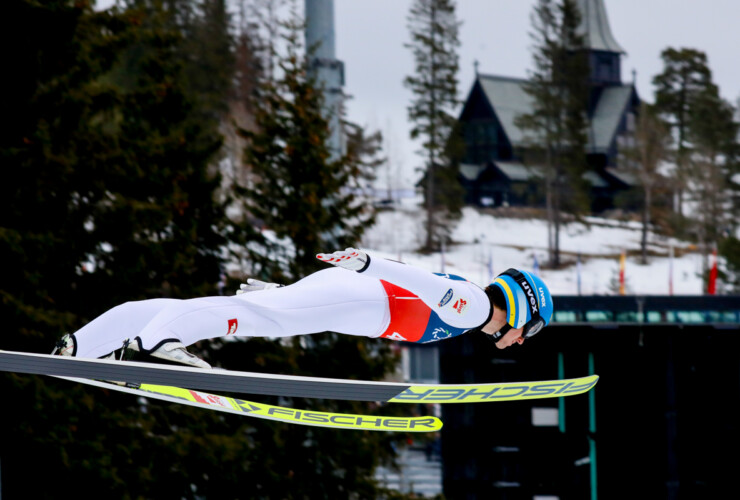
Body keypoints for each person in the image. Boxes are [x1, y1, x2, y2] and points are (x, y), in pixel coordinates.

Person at [52, 248, 554, 368]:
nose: (520, 340)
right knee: (254, 320)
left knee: (247, 313)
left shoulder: (467, 307)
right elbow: (413, 278)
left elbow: (414, 283)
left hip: (352, 299)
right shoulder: (470, 307)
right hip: (359, 296)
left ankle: (85, 345)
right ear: (517, 311)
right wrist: (366, 262)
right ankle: (155, 345)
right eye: (527, 331)